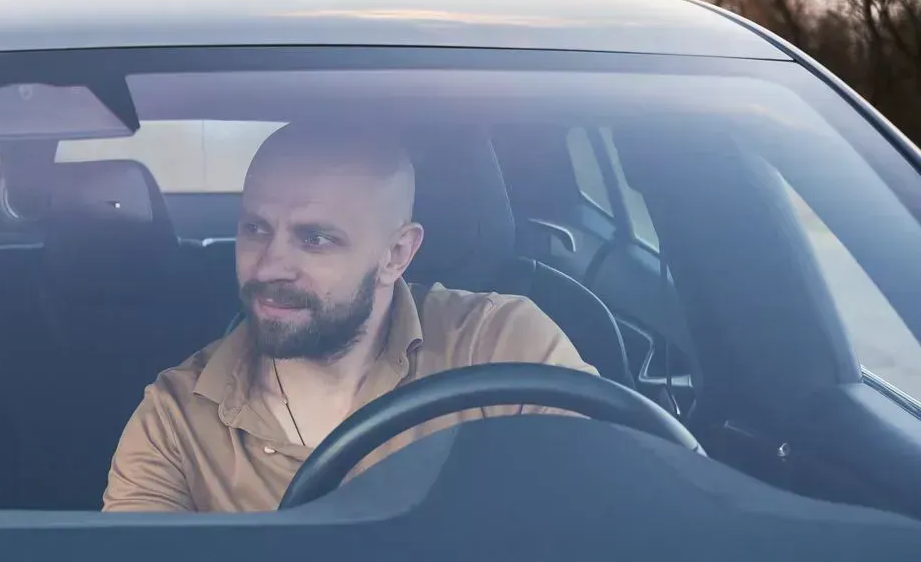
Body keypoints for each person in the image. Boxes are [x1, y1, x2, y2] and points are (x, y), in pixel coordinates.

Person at [103, 123, 594, 512]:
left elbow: (611, 508)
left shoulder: (501, 347)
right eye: (256, 228)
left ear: (396, 254)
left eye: (314, 238)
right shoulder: (178, 417)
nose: (269, 265)